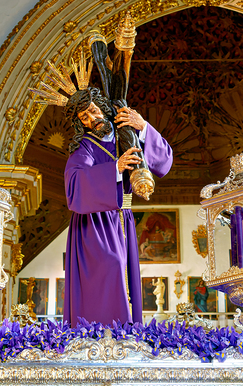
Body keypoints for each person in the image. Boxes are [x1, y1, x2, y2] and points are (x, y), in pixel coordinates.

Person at [62, 87, 172, 324]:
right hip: (95, 222)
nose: (92, 119)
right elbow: (74, 184)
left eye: (93, 111)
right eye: (84, 118)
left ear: (102, 106)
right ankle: (99, 332)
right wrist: (115, 168)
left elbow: (163, 163)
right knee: (112, 264)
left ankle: (124, 333)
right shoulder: (85, 146)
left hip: (123, 218)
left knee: (127, 275)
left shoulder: (127, 132)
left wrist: (143, 127)